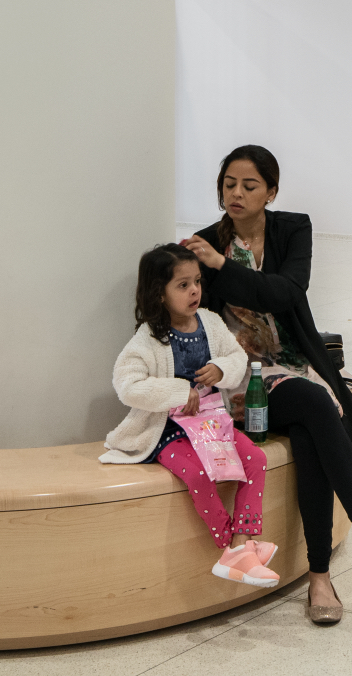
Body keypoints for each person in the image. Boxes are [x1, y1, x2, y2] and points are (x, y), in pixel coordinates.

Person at [181, 145, 352, 625]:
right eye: (229, 184)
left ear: (271, 191)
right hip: (239, 377)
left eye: (249, 186)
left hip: (293, 361)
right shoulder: (206, 243)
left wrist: (225, 268)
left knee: (313, 426)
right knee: (316, 405)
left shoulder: (292, 228)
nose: (236, 194)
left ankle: (319, 577)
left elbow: (287, 291)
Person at [102, 243, 277, 588]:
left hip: (213, 426)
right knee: (198, 476)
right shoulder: (148, 340)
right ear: (159, 294)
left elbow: (236, 358)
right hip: (168, 432)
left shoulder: (209, 323)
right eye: (182, 285)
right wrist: (180, 392)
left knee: (255, 459)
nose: (194, 290)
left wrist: (219, 368)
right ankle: (233, 547)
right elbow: (127, 385)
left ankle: (242, 543)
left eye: (196, 281)